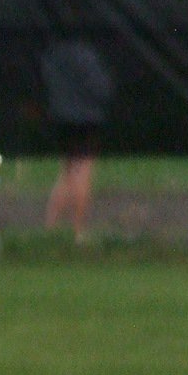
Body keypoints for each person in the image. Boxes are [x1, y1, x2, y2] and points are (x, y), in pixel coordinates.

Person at [40, 28, 114, 243]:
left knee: (67, 172)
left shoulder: (52, 53)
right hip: (87, 120)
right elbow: (102, 88)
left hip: (60, 119)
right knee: (83, 172)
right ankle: (78, 232)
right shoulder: (88, 55)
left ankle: (50, 229)